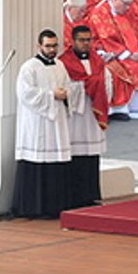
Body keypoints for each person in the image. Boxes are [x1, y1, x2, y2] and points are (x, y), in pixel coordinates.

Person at [12, 29, 79, 219]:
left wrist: (67, 93)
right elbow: (25, 94)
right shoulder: (29, 67)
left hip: (56, 120)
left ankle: (54, 206)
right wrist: (51, 95)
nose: (52, 50)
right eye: (48, 46)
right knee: (38, 162)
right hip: (37, 123)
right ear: (39, 46)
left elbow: (68, 85)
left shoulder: (59, 65)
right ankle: (34, 208)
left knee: (56, 162)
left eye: (54, 45)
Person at [60, 25, 109, 209]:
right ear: (73, 41)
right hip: (76, 114)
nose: (86, 44)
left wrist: (96, 85)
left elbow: (107, 81)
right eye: (82, 40)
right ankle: (74, 196)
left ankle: (91, 194)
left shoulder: (97, 60)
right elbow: (65, 86)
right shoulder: (64, 62)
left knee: (92, 156)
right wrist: (86, 86)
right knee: (76, 155)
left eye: (89, 40)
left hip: (92, 113)